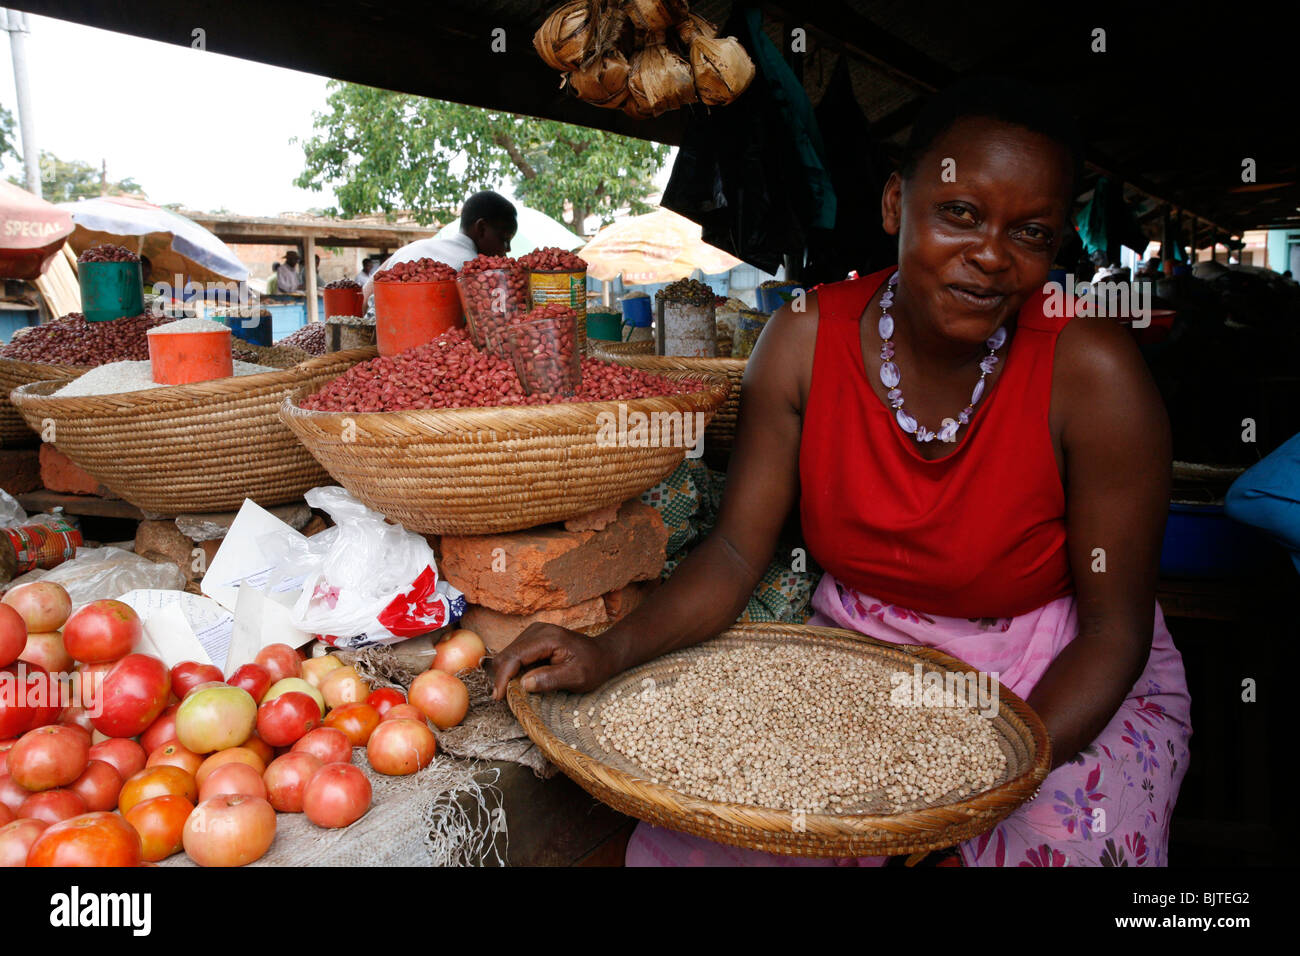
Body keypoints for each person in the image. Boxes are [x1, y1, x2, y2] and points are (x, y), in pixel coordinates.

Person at [491, 76, 1192, 868]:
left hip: (1052, 670)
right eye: (959, 214)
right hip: (862, 657)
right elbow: (731, 554)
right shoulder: (802, 339)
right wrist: (608, 653)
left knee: (1053, 841)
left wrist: (985, 782)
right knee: (732, 835)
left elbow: (1115, 630)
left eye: (1030, 234)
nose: (992, 256)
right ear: (896, 204)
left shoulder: (1093, 371)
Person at [361, 191, 517, 301]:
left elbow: (364, 296)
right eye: (504, 239)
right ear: (482, 228)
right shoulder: (477, 271)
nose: (508, 249)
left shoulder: (412, 247)